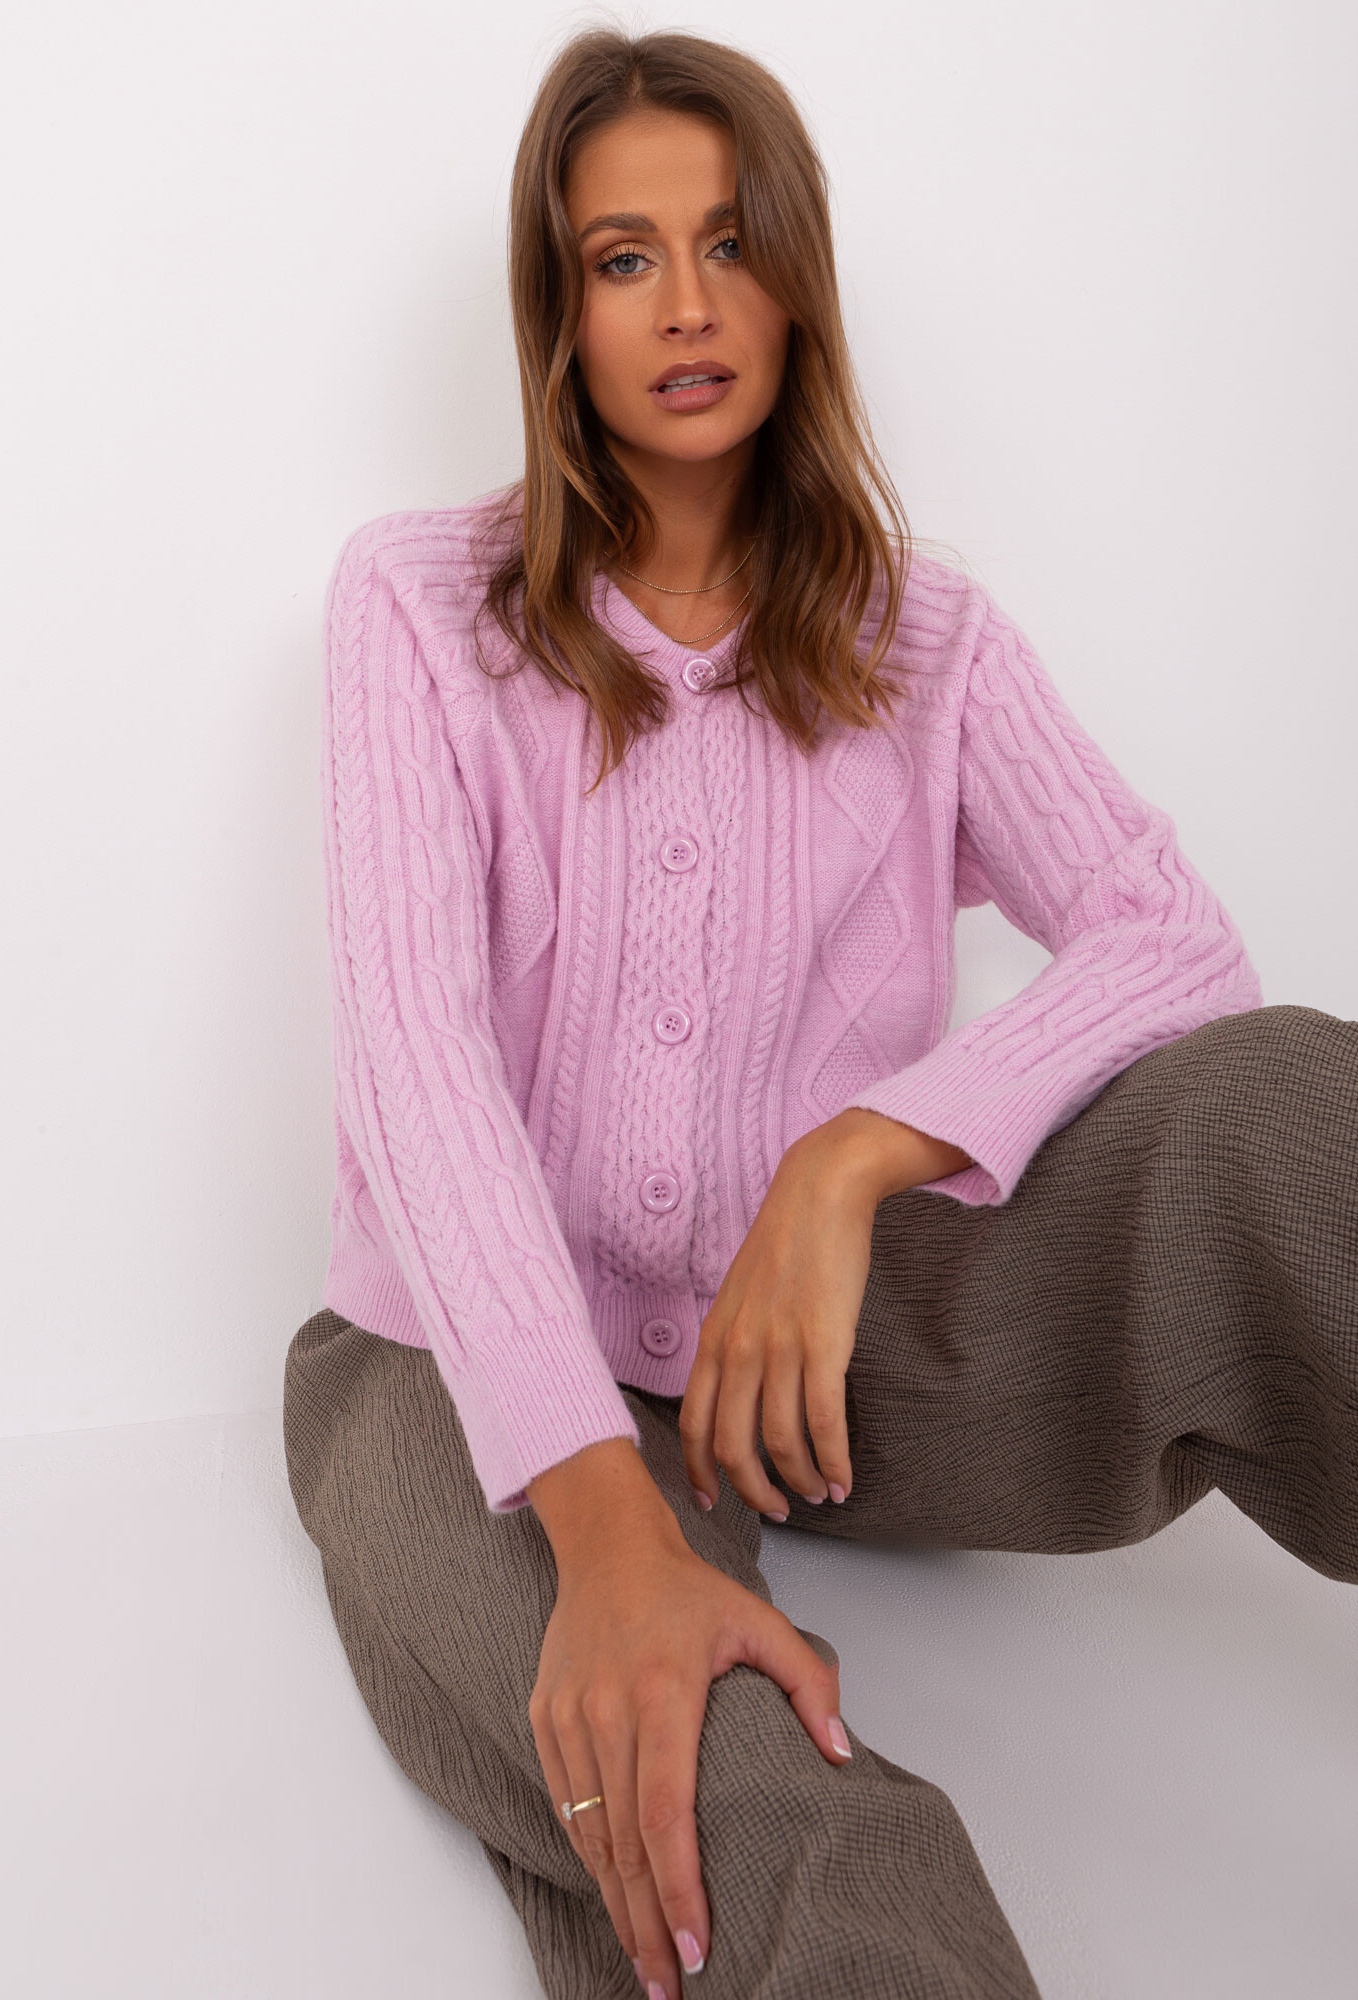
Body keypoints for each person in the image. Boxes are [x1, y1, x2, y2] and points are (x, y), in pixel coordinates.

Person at [282, 26, 1357, 2000]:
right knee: (715, 1769)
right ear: (559, 312)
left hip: (820, 1368)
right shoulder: (417, 609)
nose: (687, 305)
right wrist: (606, 1519)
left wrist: (853, 1160)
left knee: (1293, 1111)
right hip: (459, 1373)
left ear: (797, 280)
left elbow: (1172, 936)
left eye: (731, 243)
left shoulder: (924, 634)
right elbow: (415, 1061)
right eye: (623, 258)